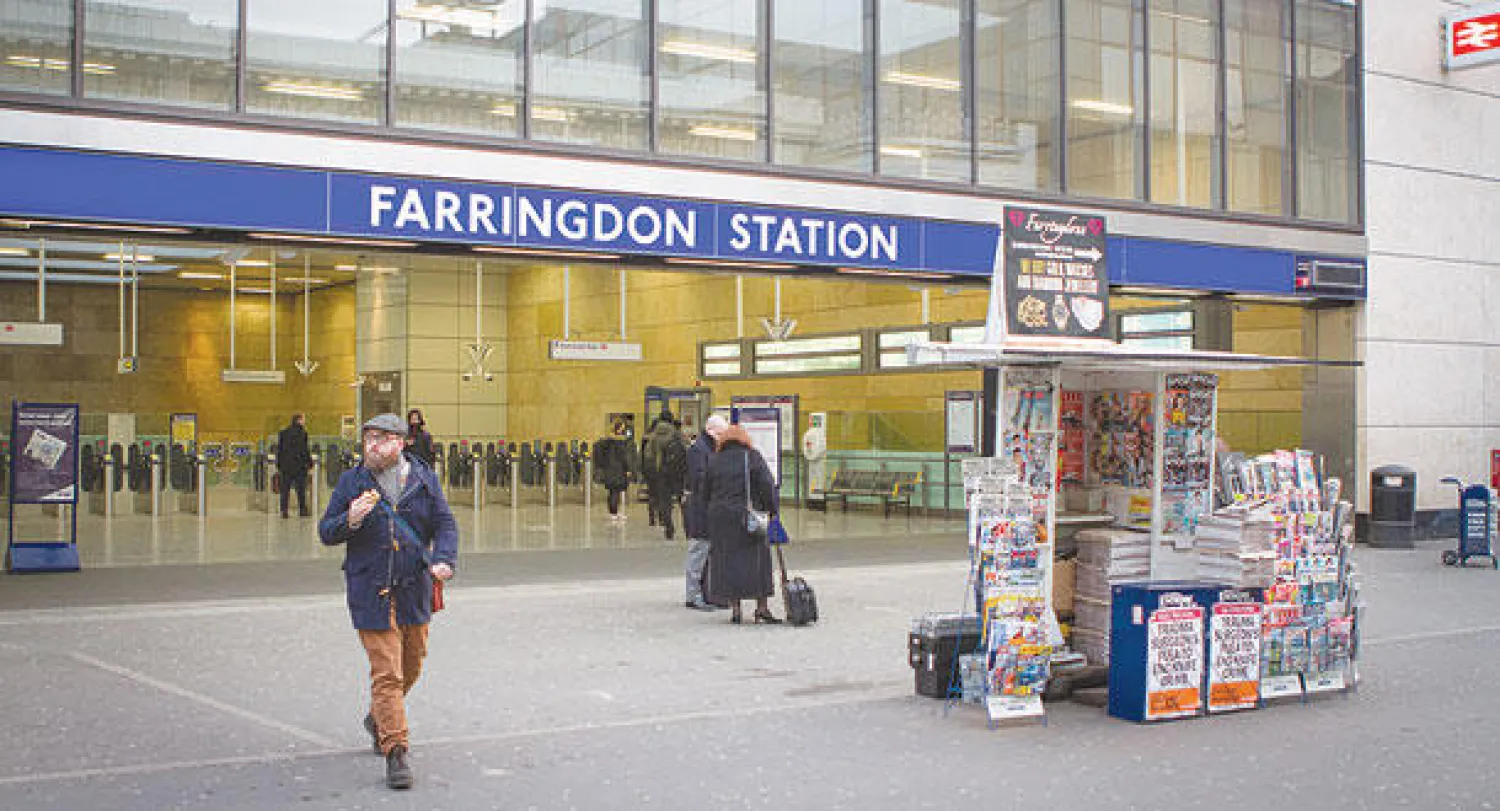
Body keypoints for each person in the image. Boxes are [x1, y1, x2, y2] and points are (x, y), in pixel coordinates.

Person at [318, 413, 458, 791]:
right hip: (370, 588)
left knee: (412, 663)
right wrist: (350, 518)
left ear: (400, 443)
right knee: (388, 672)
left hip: (414, 586)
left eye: (381, 439)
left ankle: (377, 717)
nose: (372, 446)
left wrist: (445, 558)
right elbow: (326, 531)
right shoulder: (352, 482)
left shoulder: (424, 479)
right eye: (368, 439)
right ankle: (395, 750)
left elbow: (444, 523)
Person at [702, 422, 781, 624]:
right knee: (757, 560)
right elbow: (766, 484)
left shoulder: (714, 460)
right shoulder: (752, 457)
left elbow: (704, 491)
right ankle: (761, 607)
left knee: (727, 560)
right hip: (748, 516)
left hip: (721, 518)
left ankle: (736, 609)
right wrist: (772, 510)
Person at [682, 414, 727, 610]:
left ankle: (708, 593)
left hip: (709, 507)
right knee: (698, 551)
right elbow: (698, 479)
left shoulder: (710, 448)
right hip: (700, 509)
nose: (723, 437)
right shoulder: (698, 449)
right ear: (710, 431)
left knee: (708, 553)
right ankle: (693, 595)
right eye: (720, 433)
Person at [642, 410, 688, 539]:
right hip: (677, 473)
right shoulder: (676, 433)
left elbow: (648, 455)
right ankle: (687, 526)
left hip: (660, 473)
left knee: (664, 501)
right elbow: (685, 451)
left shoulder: (653, 436)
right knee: (682, 500)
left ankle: (668, 527)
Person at [594, 421, 638, 521]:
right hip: (618, 470)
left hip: (609, 470)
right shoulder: (619, 442)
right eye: (623, 428)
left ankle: (613, 512)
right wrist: (627, 469)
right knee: (615, 492)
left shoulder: (607, 441)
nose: (624, 430)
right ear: (619, 429)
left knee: (612, 492)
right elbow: (623, 457)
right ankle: (614, 513)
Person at [276, 413, 312, 518]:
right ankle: (302, 510)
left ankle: (284, 511)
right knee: (300, 489)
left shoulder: (283, 433)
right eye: (303, 419)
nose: (304, 421)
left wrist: (279, 464)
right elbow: (304, 450)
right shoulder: (303, 433)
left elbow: (280, 450)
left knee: (285, 490)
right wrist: (309, 463)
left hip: (286, 466)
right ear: (299, 420)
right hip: (299, 466)